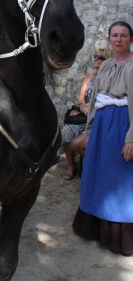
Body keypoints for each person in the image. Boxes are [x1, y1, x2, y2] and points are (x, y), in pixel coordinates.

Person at [72, 21, 133, 256]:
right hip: (101, 127)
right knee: (98, 176)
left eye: (124, 35)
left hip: (122, 126)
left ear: (130, 40)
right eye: (114, 35)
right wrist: (90, 129)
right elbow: (96, 99)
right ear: (109, 39)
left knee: (120, 178)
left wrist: (131, 139)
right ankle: (96, 228)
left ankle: (121, 237)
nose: (118, 39)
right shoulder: (105, 66)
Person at [60, 40, 111, 180]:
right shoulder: (89, 78)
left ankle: (93, 166)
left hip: (97, 116)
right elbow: (81, 98)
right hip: (85, 114)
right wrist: (83, 107)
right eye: (95, 56)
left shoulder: (109, 78)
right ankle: (71, 165)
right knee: (67, 130)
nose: (96, 59)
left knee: (85, 136)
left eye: (100, 57)